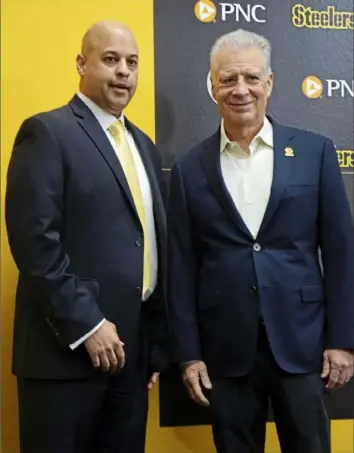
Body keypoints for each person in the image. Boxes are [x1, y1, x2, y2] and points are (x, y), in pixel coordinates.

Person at [167, 29, 354, 453]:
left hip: (303, 346)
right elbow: (180, 265)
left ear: (269, 83)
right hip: (225, 352)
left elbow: (341, 254)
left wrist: (342, 340)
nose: (240, 90)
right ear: (212, 87)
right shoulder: (188, 168)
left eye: (251, 78)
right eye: (228, 79)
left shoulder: (315, 152)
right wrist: (189, 354)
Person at [6, 20, 168, 453]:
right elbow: (35, 242)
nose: (123, 72)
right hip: (65, 356)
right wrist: (88, 325)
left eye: (132, 63)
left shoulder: (145, 146)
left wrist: (154, 344)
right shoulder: (47, 132)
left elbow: (151, 248)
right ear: (81, 63)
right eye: (110, 60)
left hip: (130, 361)